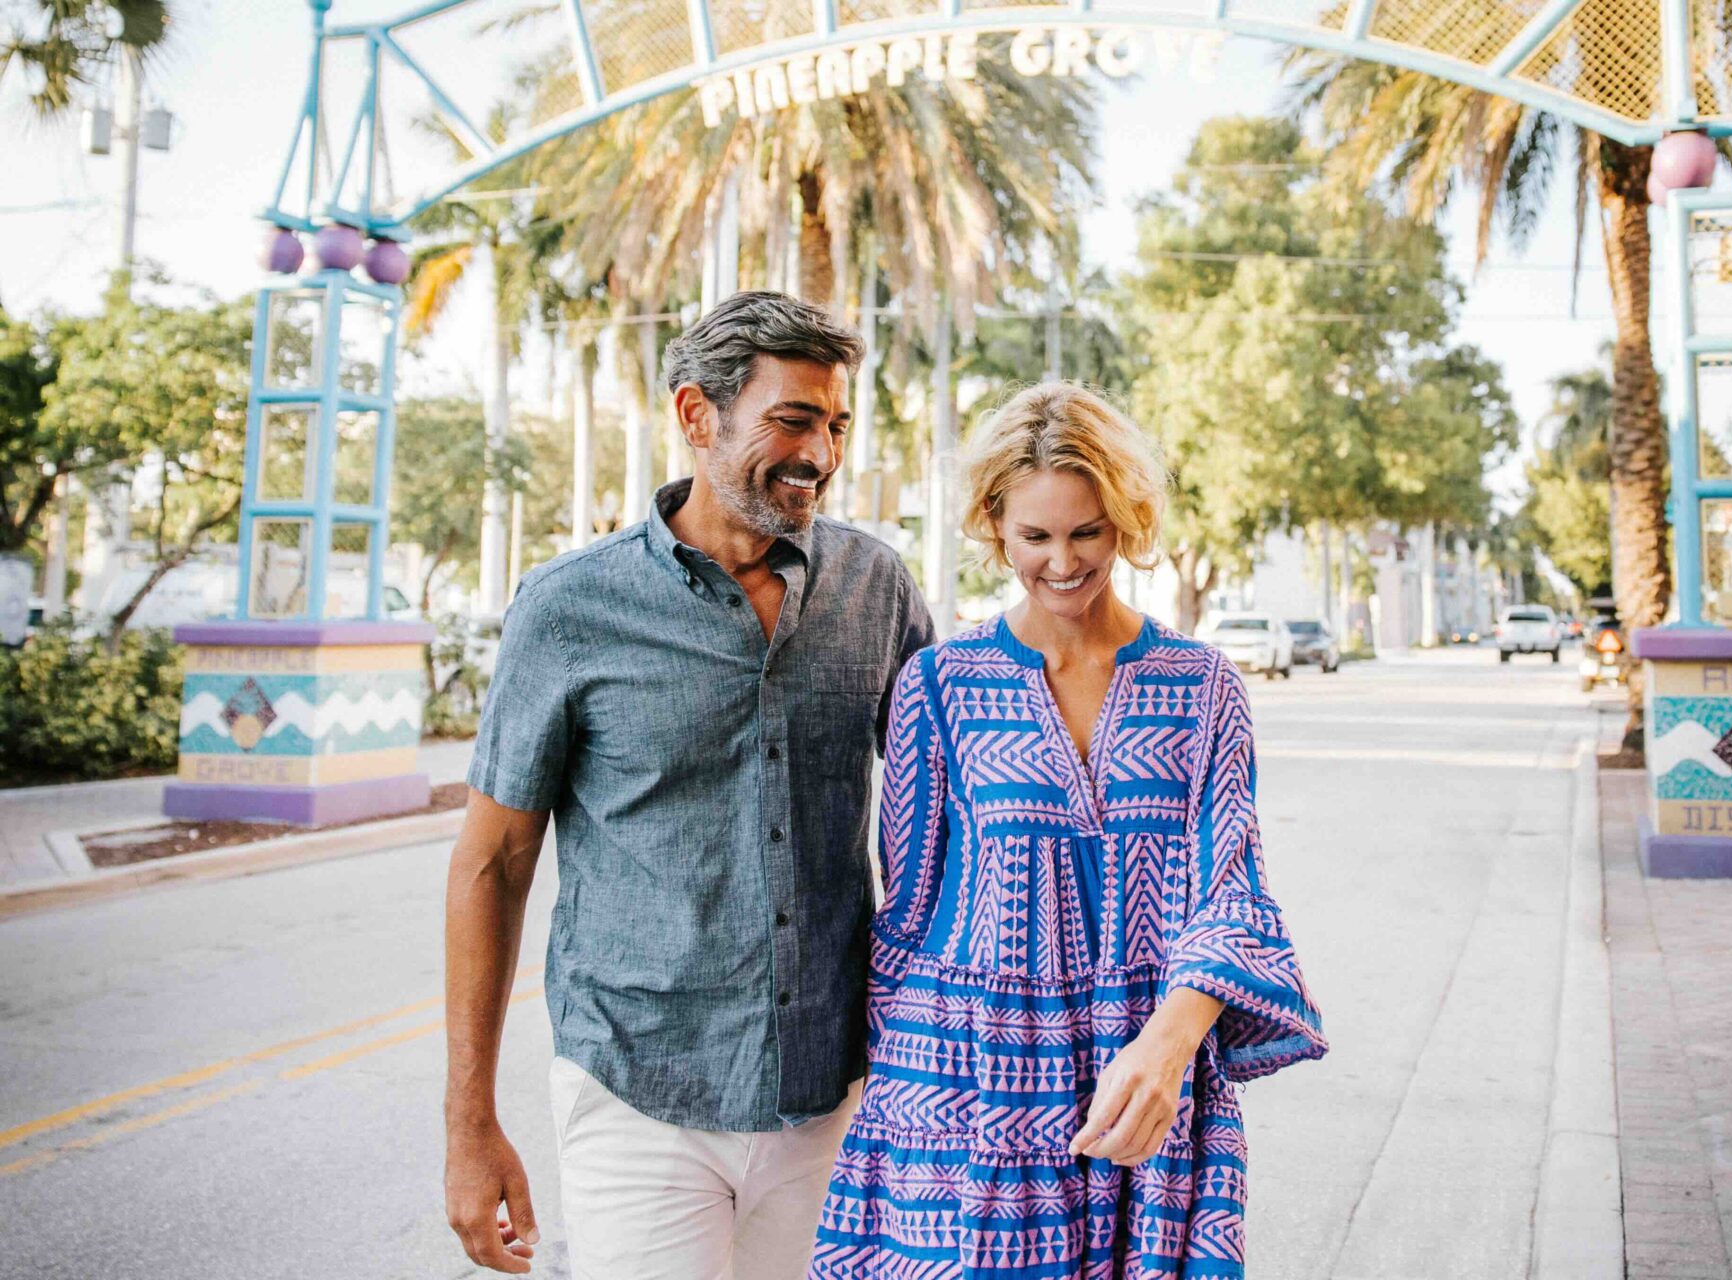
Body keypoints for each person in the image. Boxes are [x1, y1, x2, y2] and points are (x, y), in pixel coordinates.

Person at [443, 291, 935, 1278]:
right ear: (696, 414)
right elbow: (493, 862)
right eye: (791, 420)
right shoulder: (571, 606)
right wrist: (469, 1128)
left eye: (836, 424)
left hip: (831, 1090)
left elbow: (953, 819)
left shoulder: (874, 588)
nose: (821, 453)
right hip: (638, 1090)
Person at [809, 383, 1326, 1278]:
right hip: (978, 1080)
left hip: (1149, 1082)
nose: (1061, 562)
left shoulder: (1203, 688)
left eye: (1086, 532)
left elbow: (1230, 885)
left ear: (1124, 519)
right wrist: (902, 1108)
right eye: (1034, 536)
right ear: (994, 529)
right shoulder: (939, 686)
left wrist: (1171, 1044)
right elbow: (912, 909)